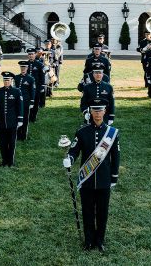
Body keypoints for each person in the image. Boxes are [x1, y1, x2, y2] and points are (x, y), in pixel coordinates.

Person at [63, 102, 120, 252]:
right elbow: (74, 150)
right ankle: (88, 241)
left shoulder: (112, 133)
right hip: (87, 180)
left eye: (100, 110)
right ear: (91, 112)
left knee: (102, 212)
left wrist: (114, 177)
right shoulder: (82, 132)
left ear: (104, 111)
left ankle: (100, 240)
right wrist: (70, 158)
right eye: (95, 111)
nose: (97, 113)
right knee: (87, 211)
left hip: (104, 179)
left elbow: (116, 157)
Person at [0, 72, 24, 167]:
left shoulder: (17, 91)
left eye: (8, 80)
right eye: (5, 80)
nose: (6, 82)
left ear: (11, 81)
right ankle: (4, 160)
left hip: (12, 121)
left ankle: (11, 161)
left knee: (12, 142)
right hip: (1, 121)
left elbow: (20, 106)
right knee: (3, 142)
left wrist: (20, 119)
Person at [14, 61, 36, 140]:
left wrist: (32, 101)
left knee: (25, 118)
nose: (23, 69)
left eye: (24, 67)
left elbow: (33, 91)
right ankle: (17, 134)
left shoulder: (30, 79)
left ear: (27, 68)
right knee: (17, 117)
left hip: (25, 101)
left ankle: (23, 136)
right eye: (21, 67)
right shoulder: (16, 77)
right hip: (16, 101)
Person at [26, 48, 47, 121]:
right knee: (28, 102)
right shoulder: (25, 64)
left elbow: (42, 76)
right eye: (29, 54)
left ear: (35, 54)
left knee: (35, 102)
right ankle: (28, 116)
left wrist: (42, 86)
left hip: (37, 87)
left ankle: (33, 117)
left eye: (32, 54)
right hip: (27, 87)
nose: (30, 56)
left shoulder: (39, 64)